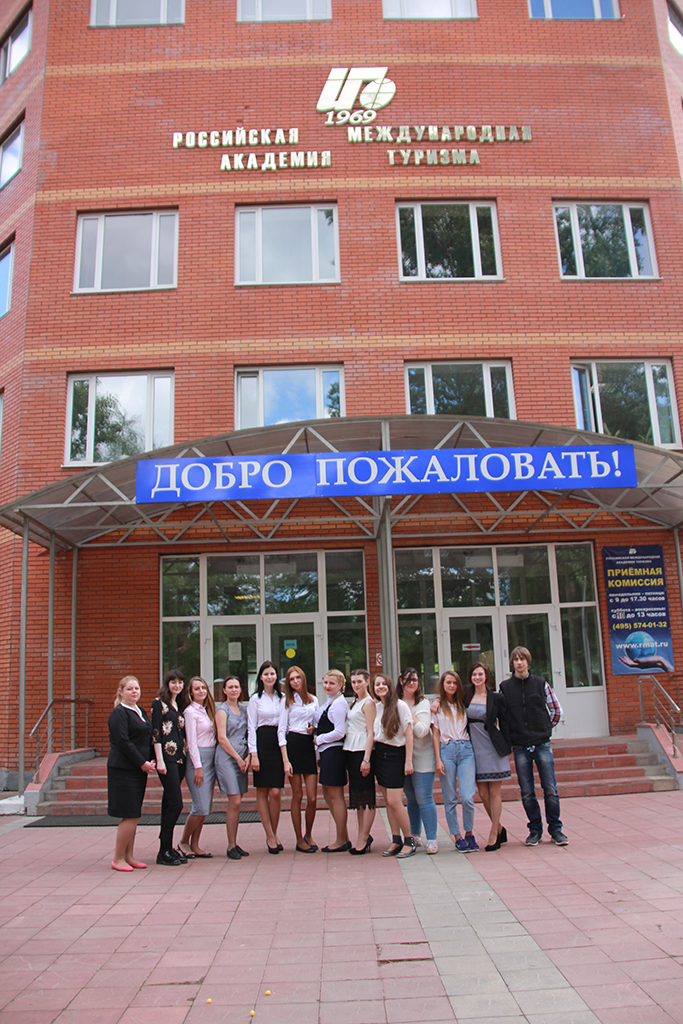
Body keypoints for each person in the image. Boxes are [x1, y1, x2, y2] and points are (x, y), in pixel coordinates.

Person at [499, 646, 567, 846]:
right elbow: (502, 716)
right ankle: (535, 830)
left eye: (523, 659)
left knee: (550, 789)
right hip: (520, 746)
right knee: (527, 791)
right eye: (516, 659)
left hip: (541, 744)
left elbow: (556, 710)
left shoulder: (540, 683)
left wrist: (545, 728)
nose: (519, 662)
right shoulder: (505, 688)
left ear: (528, 662)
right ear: (512, 663)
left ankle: (556, 829)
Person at [107, 674, 156, 872]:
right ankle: (118, 858)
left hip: (137, 770)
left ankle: (129, 856)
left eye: (136, 688)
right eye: (129, 689)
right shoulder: (119, 713)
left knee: (134, 814)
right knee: (130, 814)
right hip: (123, 770)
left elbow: (146, 737)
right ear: (121, 691)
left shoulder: (139, 710)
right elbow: (123, 742)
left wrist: (150, 759)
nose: (134, 692)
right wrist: (142, 763)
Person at [463, 662, 511, 852]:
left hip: (492, 748)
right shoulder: (466, 695)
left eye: (480, 674)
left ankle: (493, 833)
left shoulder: (496, 698)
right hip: (474, 749)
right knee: (483, 794)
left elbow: (505, 723)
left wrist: (507, 746)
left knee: (494, 793)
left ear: (486, 677)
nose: (477, 677)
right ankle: (499, 827)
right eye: (474, 674)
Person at [431, 670, 477, 852]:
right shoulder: (437, 707)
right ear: (442, 685)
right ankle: (457, 836)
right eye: (448, 682)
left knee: (467, 797)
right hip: (446, 749)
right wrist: (437, 759)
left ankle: (469, 833)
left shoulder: (464, 703)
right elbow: (435, 735)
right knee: (450, 797)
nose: (451, 686)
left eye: (454, 683)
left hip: (465, 749)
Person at [372, 673, 417, 858]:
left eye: (384, 684)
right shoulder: (377, 707)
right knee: (388, 802)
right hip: (380, 756)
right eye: (377, 684)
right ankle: (396, 839)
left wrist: (408, 761)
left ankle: (409, 840)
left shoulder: (400, 705)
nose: (381, 687)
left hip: (395, 756)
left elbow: (409, 734)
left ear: (390, 686)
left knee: (395, 801)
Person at [278, 665, 319, 853]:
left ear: (303, 678)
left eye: (298, 678)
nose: (295, 681)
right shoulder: (286, 701)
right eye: (291, 679)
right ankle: (299, 838)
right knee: (297, 795)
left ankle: (309, 834)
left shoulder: (313, 700)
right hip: (293, 745)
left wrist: (314, 730)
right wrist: (285, 760)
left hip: (308, 745)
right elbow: (281, 731)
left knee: (312, 797)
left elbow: (317, 724)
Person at [397, 667, 438, 854]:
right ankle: (415, 835)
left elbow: (422, 731)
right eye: (408, 679)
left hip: (423, 757)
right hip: (403, 756)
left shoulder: (422, 703)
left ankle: (432, 839)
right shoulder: (395, 701)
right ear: (401, 681)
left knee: (424, 797)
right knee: (411, 797)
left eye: (414, 680)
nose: (411, 683)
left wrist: (407, 712)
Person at [151, 668, 188, 866]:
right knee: (176, 804)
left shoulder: (179, 704)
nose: (177, 685)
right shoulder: (159, 703)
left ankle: (166, 848)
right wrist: (160, 760)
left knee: (168, 803)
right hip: (167, 758)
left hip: (180, 759)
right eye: (173, 682)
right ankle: (164, 848)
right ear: (167, 683)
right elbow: (156, 732)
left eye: (180, 682)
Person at [248, 660, 285, 854]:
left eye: (272, 674)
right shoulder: (255, 699)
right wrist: (253, 754)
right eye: (266, 674)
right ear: (260, 677)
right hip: (262, 743)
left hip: (278, 744)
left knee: (276, 792)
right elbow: (251, 727)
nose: (269, 677)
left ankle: (275, 831)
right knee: (262, 790)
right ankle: (269, 835)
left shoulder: (283, 698)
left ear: (276, 676)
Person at [178, 677, 216, 859]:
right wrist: (198, 767)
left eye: (203, 688)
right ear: (190, 693)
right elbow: (191, 743)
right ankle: (183, 841)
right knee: (199, 806)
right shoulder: (190, 712)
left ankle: (195, 844)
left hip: (210, 760)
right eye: (197, 689)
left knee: (205, 807)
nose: (201, 691)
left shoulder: (207, 710)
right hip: (198, 761)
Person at [215, 674, 251, 860]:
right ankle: (230, 845)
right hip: (228, 757)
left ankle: (235, 843)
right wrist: (237, 758)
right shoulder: (222, 710)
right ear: (224, 690)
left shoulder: (244, 710)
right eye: (230, 687)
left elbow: (250, 733)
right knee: (234, 801)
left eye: (236, 687)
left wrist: (248, 756)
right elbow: (222, 737)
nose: (234, 690)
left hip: (242, 757)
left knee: (238, 803)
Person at [315, 669, 350, 853]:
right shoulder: (329, 702)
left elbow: (339, 731)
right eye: (326, 682)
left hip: (334, 752)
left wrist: (319, 739)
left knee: (336, 797)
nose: (327, 686)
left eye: (332, 683)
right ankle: (344, 836)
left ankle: (341, 839)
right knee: (328, 795)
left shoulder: (338, 704)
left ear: (340, 685)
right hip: (326, 752)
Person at [343, 668, 376, 855]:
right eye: (353, 682)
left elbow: (371, 732)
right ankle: (362, 834)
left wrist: (366, 759)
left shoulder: (368, 703)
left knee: (367, 796)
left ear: (367, 682)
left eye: (359, 682)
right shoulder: (355, 702)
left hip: (362, 751)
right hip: (351, 750)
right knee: (358, 797)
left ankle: (363, 837)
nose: (356, 685)